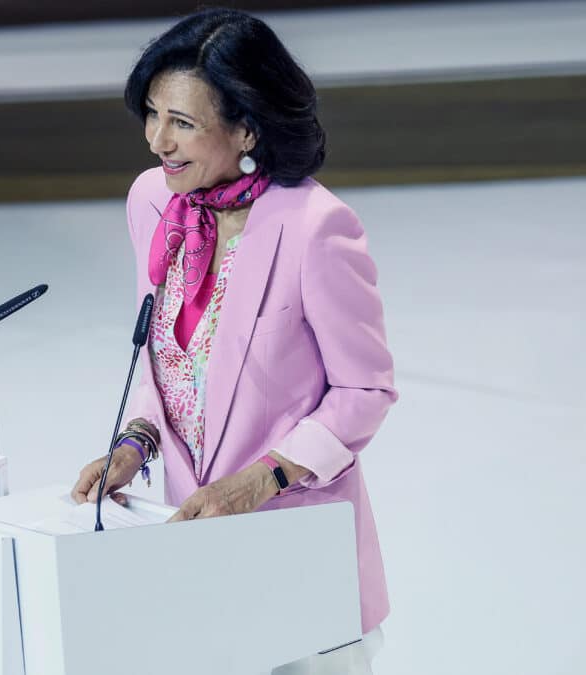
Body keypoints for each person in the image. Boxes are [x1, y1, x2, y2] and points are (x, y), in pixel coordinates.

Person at [70, 8, 397, 674]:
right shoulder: (154, 202)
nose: (158, 141)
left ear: (246, 127)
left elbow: (365, 390)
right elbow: (167, 354)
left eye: (183, 123)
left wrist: (256, 481)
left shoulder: (315, 226)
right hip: (194, 542)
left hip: (297, 546)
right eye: (153, 113)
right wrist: (136, 442)